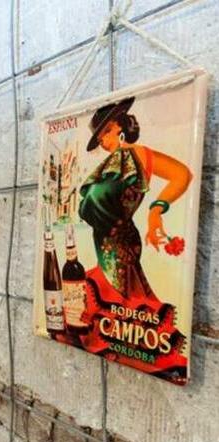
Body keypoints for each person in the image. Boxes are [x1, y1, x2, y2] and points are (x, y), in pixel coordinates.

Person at [78, 96, 192, 301]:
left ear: (121, 125)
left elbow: (182, 174)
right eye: (100, 139)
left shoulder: (140, 155)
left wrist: (155, 211)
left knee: (125, 300)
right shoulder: (111, 164)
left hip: (120, 247)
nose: (104, 141)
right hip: (108, 247)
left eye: (107, 131)